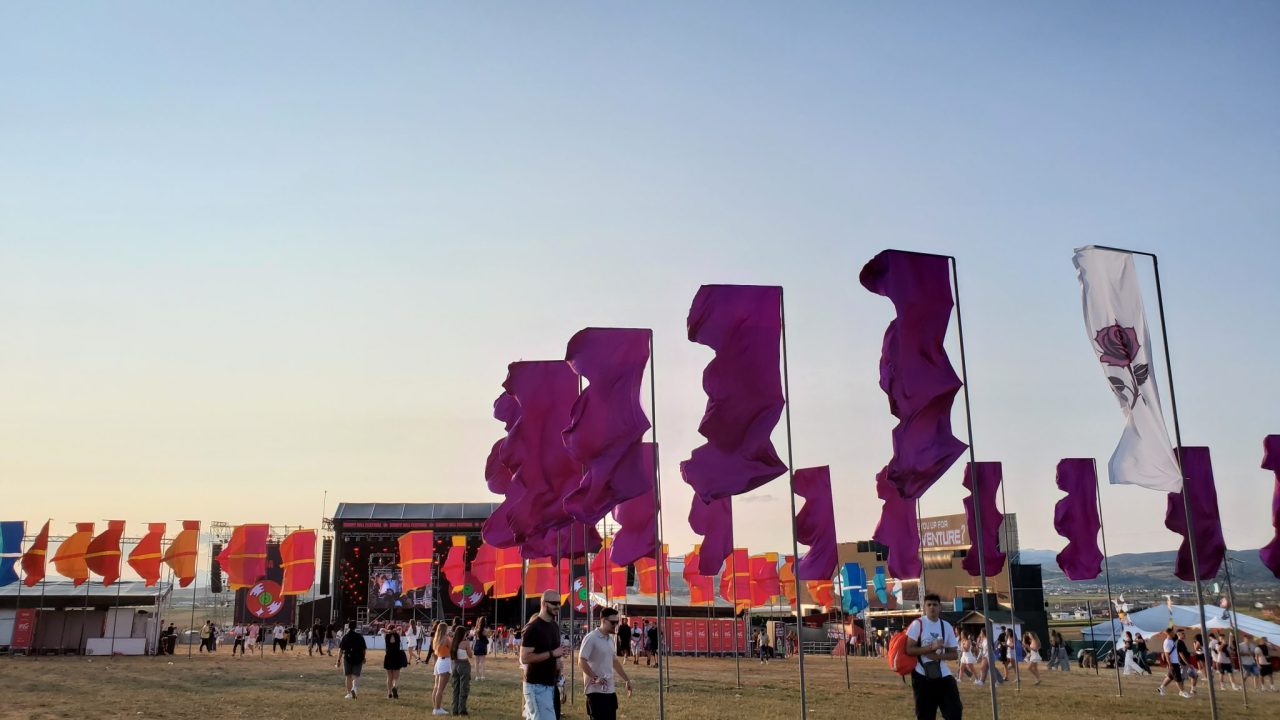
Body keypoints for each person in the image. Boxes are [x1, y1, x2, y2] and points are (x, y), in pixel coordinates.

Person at [905, 593, 961, 720]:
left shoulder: (946, 626)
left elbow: (954, 654)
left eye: (935, 605)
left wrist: (938, 657)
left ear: (940, 607)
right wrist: (930, 648)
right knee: (925, 715)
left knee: (955, 712)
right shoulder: (917, 624)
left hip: (943, 674)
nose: (932, 607)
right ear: (924, 607)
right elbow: (909, 649)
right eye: (929, 605)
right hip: (922, 675)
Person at [521, 589, 569, 720]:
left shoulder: (554, 626)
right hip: (536, 685)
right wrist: (552, 653)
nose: (558, 606)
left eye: (559, 603)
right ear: (544, 604)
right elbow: (524, 658)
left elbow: (554, 654)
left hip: (550, 684)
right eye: (554, 603)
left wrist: (559, 657)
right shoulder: (532, 627)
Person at [579, 607, 634, 720]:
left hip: (610, 691)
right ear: (603, 621)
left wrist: (626, 679)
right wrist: (595, 678)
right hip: (595, 692)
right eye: (613, 622)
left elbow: (614, 661)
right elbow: (581, 661)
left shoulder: (610, 640)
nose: (615, 625)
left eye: (617, 622)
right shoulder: (591, 638)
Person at [1158, 628, 1192, 698]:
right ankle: (1182, 692)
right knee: (1178, 678)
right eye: (1172, 632)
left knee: (1170, 677)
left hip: (1175, 662)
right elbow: (1167, 654)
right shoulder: (1167, 642)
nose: (1174, 633)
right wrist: (1170, 664)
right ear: (1169, 633)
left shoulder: (1172, 640)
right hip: (1173, 663)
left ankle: (1161, 688)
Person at [337, 620, 366, 699]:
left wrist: (338, 660)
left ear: (348, 626)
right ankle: (355, 689)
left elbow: (341, 650)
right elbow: (363, 649)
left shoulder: (345, 637)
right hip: (358, 657)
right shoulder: (360, 636)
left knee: (348, 676)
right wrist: (363, 658)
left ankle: (349, 693)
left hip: (348, 658)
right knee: (356, 675)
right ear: (356, 626)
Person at [431, 622, 453, 715]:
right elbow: (452, 649)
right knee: (440, 688)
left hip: (439, 661)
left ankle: (436, 706)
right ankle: (437, 708)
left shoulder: (436, 638)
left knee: (436, 687)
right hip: (445, 661)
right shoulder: (446, 639)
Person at [451, 624, 473, 716]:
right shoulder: (466, 643)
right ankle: (462, 709)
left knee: (456, 688)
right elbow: (470, 655)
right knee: (464, 688)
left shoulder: (453, 642)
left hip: (455, 665)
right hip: (464, 665)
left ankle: (455, 709)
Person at [382, 628, 408, 699]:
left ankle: (389, 693)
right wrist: (395, 630)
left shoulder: (386, 636)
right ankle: (395, 687)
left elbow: (382, 630)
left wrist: (388, 631)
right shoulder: (398, 635)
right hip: (397, 657)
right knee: (396, 677)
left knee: (389, 677)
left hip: (388, 656)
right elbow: (400, 628)